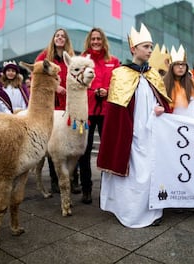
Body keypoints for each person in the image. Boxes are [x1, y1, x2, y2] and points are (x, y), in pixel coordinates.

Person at [97, 23, 172, 228]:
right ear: (133, 49)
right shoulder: (120, 74)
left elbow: (162, 102)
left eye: (150, 46)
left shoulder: (154, 74)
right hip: (130, 131)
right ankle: (128, 211)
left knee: (150, 169)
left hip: (151, 131)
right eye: (145, 46)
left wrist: (160, 109)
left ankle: (151, 210)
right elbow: (116, 110)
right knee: (131, 171)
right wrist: (125, 132)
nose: (149, 50)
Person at [78, 28, 120, 204]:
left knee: (107, 150)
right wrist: (94, 91)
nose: (96, 41)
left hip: (106, 112)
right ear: (89, 41)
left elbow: (119, 85)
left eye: (99, 39)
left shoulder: (113, 61)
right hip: (86, 111)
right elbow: (77, 84)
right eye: (93, 39)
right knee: (84, 152)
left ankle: (108, 189)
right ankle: (86, 189)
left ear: (103, 41)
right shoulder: (82, 60)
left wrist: (107, 91)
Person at [35, 28, 78, 194]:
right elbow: (36, 78)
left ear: (66, 40)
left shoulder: (71, 58)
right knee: (55, 144)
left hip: (70, 106)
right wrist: (55, 86)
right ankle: (55, 179)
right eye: (57, 35)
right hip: (51, 106)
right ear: (53, 39)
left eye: (63, 36)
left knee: (73, 142)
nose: (60, 38)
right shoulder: (44, 58)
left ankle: (73, 179)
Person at [163, 44, 194, 121]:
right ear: (171, 67)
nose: (181, 67)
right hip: (172, 124)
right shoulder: (164, 84)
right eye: (177, 64)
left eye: (183, 64)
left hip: (191, 124)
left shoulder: (193, 84)